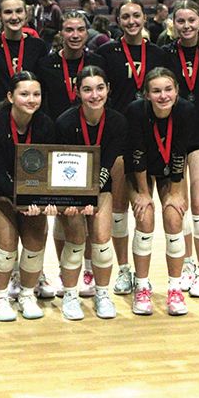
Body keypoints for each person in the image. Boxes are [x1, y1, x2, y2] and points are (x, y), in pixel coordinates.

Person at [97, 0, 178, 296]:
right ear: (118, 20)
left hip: (158, 139)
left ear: (145, 19)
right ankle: (123, 270)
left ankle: (174, 271)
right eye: (125, 16)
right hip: (121, 139)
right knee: (120, 209)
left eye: (136, 16)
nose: (131, 21)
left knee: (163, 207)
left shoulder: (158, 52)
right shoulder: (106, 53)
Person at [0, 71, 56, 321]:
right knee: (8, 240)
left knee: (36, 238)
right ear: (10, 96)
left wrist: (48, 200)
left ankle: (26, 294)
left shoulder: (45, 124)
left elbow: (49, 168)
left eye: (36, 94)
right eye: (24, 94)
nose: (31, 99)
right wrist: (18, 201)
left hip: (30, 192)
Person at [54, 66, 127, 320]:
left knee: (101, 237)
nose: (94, 95)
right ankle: (71, 294)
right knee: (75, 237)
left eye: (99, 88)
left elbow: (107, 163)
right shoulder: (65, 122)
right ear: (77, 92)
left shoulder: (117, 122)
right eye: (87, 89)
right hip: (70, 188)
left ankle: (102, 293)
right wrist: (77, 198)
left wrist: (92, 196)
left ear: (108, 89)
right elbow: (62, 164)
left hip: (99, 185)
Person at [124, 67, 195, 315]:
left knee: (174, 218)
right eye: (156, 91)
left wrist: (175, 193)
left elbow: (179, 153)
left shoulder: (186, 110)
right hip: (140, 168)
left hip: (169, 169)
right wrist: (143, 193)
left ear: (176, 91)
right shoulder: (135, 111)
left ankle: (174, 290)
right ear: (146, 94)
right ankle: (141, 287)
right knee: (145, 217)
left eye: (168, 90)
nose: (163, 96)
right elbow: (137, 155)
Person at [164, 0, 199, 297]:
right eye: (180, 21)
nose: (186, 26)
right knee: (178, 205)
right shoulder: (165, 55)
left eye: (191, 20)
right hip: (172, 137)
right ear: (173, 23)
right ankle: (185, 264)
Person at [0, 0, 48, 113]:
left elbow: (43, 86)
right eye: (8, 12)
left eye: (19, 11)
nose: (14, 17)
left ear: (26, 14)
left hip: (28, 115)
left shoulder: (38, 46)